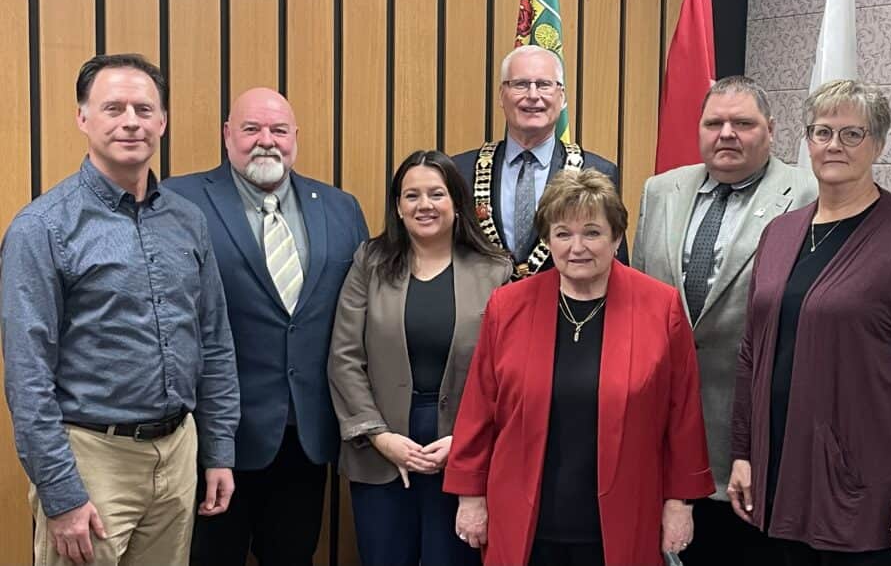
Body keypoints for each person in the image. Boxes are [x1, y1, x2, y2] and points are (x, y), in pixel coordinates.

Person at [0, 53, 240, 565]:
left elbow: (214, 341)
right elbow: (27, 374)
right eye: (113, 108)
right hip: (91, 458)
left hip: (178, 451)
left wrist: (219, 450)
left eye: (143, 109)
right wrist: (62, 495)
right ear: (83, 118)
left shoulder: (188, 221)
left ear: (163, 122)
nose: (131, 121)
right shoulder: (41, 228)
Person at [728, 79, 891, 564]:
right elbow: (752, 354)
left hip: (866, 491)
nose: (834, 145)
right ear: (807, 141)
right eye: (822, 132)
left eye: (852, 134)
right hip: (777, 476)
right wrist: (743, 451)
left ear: (877, 144)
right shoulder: (781, 233)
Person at [446, 168, 714, 566]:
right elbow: (479, 410)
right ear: (548, 240)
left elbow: (683, 416)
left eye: (592, 232)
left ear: (617, 237)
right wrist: (470, 497)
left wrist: (681, 503)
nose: (577, 247)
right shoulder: (508, 306)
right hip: (523, 515)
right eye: (562, 233)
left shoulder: (661, 307)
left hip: (623, 515)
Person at [164, 87, 369, 565]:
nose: (266, 141)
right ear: (226, 135)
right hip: (216, 436)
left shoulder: (340, 208)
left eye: (279, 130)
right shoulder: (180, 200)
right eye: (251, 128)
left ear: (295, 137)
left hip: (306, 435)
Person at [632, 75, 816, 564]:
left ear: (771, 130)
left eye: (743, 123)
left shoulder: (807, 195)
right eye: (714, 122)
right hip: (664, 426)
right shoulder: (660, 190)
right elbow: (636, 298)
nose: (727, 133)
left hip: (756, 431)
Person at [328, 150, 512, 566]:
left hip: (463, 449)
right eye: (411, 195)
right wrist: (379, 436)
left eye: (436, 193)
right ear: (397, 205)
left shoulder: (495, 270)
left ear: (457, 202)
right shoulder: (369, 263)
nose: (424, 205)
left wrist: (465, 443)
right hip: (382, 448)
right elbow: (344, 357)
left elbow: (507, 373)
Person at [452, 45, 627, 280]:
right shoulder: (462, 170)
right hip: (481, 311)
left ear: (562, 97)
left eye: (544, 85)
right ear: (501, 95)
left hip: (564, 311)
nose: (533, 95)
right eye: (520, 84)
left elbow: (616, 263)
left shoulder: (596, 171)